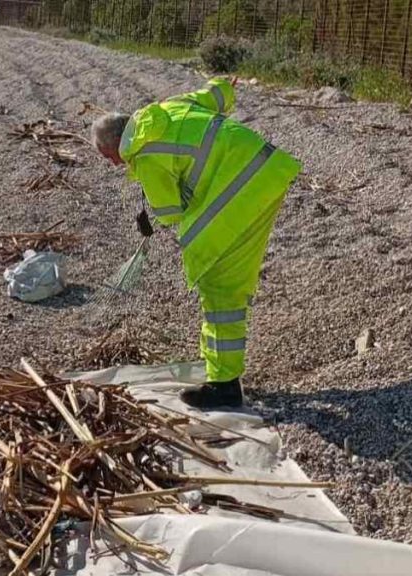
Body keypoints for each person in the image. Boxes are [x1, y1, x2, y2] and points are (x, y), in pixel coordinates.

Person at [90, 78, 301, 409]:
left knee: (220, 291)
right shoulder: (168, 108)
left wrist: (153, 209)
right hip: (267, 171)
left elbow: (171, 212)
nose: (115, 164)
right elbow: (215, 95)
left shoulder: (145, 155)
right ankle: (221, 373)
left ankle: (224, 387)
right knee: (229, 283)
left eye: (109, 157)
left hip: (237, 198)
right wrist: (225, 84)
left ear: (116, 142)